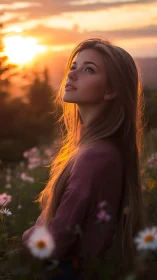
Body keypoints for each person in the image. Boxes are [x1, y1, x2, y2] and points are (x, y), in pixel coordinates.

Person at [22, 38, 146, 279]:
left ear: (111, 90)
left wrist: (28, 235)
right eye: (74, 66)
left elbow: (51, 244)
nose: (72, 75)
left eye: (89, 69)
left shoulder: (96, 156)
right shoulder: (93, 149)